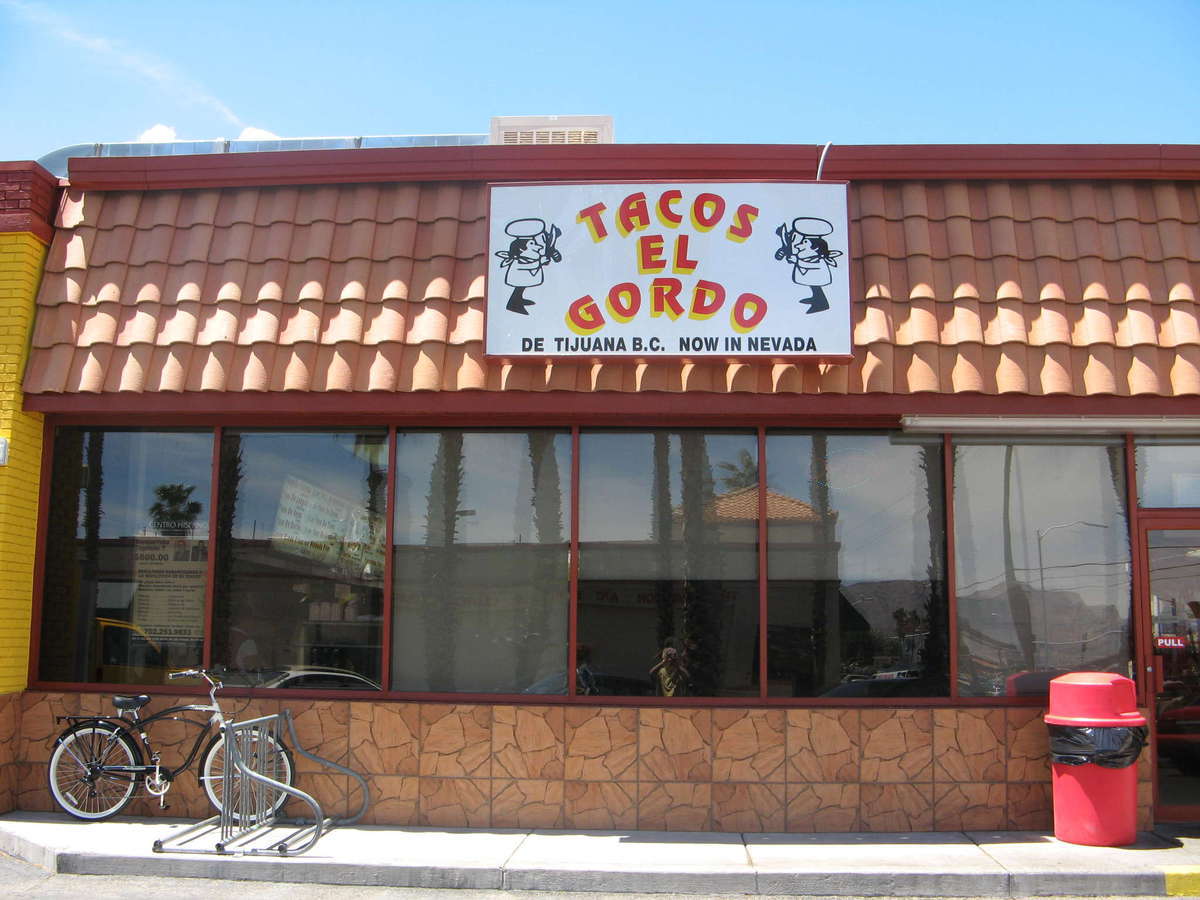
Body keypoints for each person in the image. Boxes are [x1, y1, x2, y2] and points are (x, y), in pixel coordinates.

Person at [774, 216, 843, 314]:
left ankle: (822, 303)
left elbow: (812, 264)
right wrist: (784, 251)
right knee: (814, 286)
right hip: (809, 273)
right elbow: (789, 246)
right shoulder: (796, 237)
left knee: (816, 285)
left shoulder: (818, 257)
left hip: (816, 273)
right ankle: (816, 298)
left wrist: (797, 261)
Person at [495, 218, 562, 314]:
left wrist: (550, 253)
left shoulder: (539, 241)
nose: (537, 246)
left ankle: (518, 299)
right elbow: (528, 265)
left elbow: (545, 250)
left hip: (526, 276)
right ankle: (513, 304)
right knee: (519, 287)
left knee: (521, 288)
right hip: (519, 276)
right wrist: (540, 262)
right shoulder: (519, 259)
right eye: (532, 243)